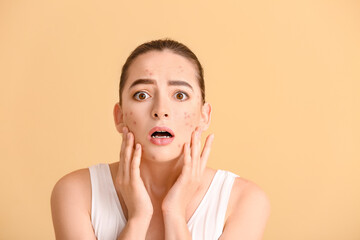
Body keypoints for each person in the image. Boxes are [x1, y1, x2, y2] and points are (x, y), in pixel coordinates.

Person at [51, 39, 270, 240]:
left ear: (204, 116)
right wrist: (138, 218)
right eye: (142, 95)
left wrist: (174, 213)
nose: (160, 110)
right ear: (120, 116)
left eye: (180, 95)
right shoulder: (76, 193)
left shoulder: (245, 201)